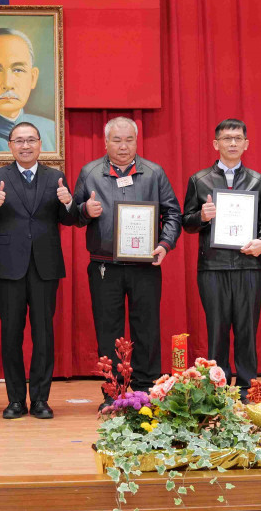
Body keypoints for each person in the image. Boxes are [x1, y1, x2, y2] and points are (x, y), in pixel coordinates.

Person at [72, 116, 181, 406]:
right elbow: (71, 216)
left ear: (137, 141)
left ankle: (148, 391)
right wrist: (85, 211)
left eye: (129, 139)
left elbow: (173, 213)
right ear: (106, 142)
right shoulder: (90, 172)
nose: (123, 146)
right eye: (117, 140)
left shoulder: (154, 172)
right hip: (104, 266)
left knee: (147, 329)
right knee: (108, 331)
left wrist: (164, 244)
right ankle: (113, 393)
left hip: (145, 266)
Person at [0, 122, 78, 419]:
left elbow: (69, 220)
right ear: (10, 145)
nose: (25, 145)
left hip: (45, 266)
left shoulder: (55, 177)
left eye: (31, 140)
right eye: (19, 141)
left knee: (44, 335)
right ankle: (16, 401)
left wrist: (69, 203)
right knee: (11, 335)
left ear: (40, 144)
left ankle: (41, 400)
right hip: (9, 266)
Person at [182, 119, 261, 400]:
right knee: (217, 330)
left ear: (246, 144)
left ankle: (247, 388)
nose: (232, 143)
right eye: (226, 138)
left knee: (247, 329)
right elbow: (186, 221)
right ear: (215, 144)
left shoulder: (258, 180)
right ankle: (217, 390)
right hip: (212, 266)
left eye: (237, 138)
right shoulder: (199, 180)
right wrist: (201, 216)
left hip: (249, 266)